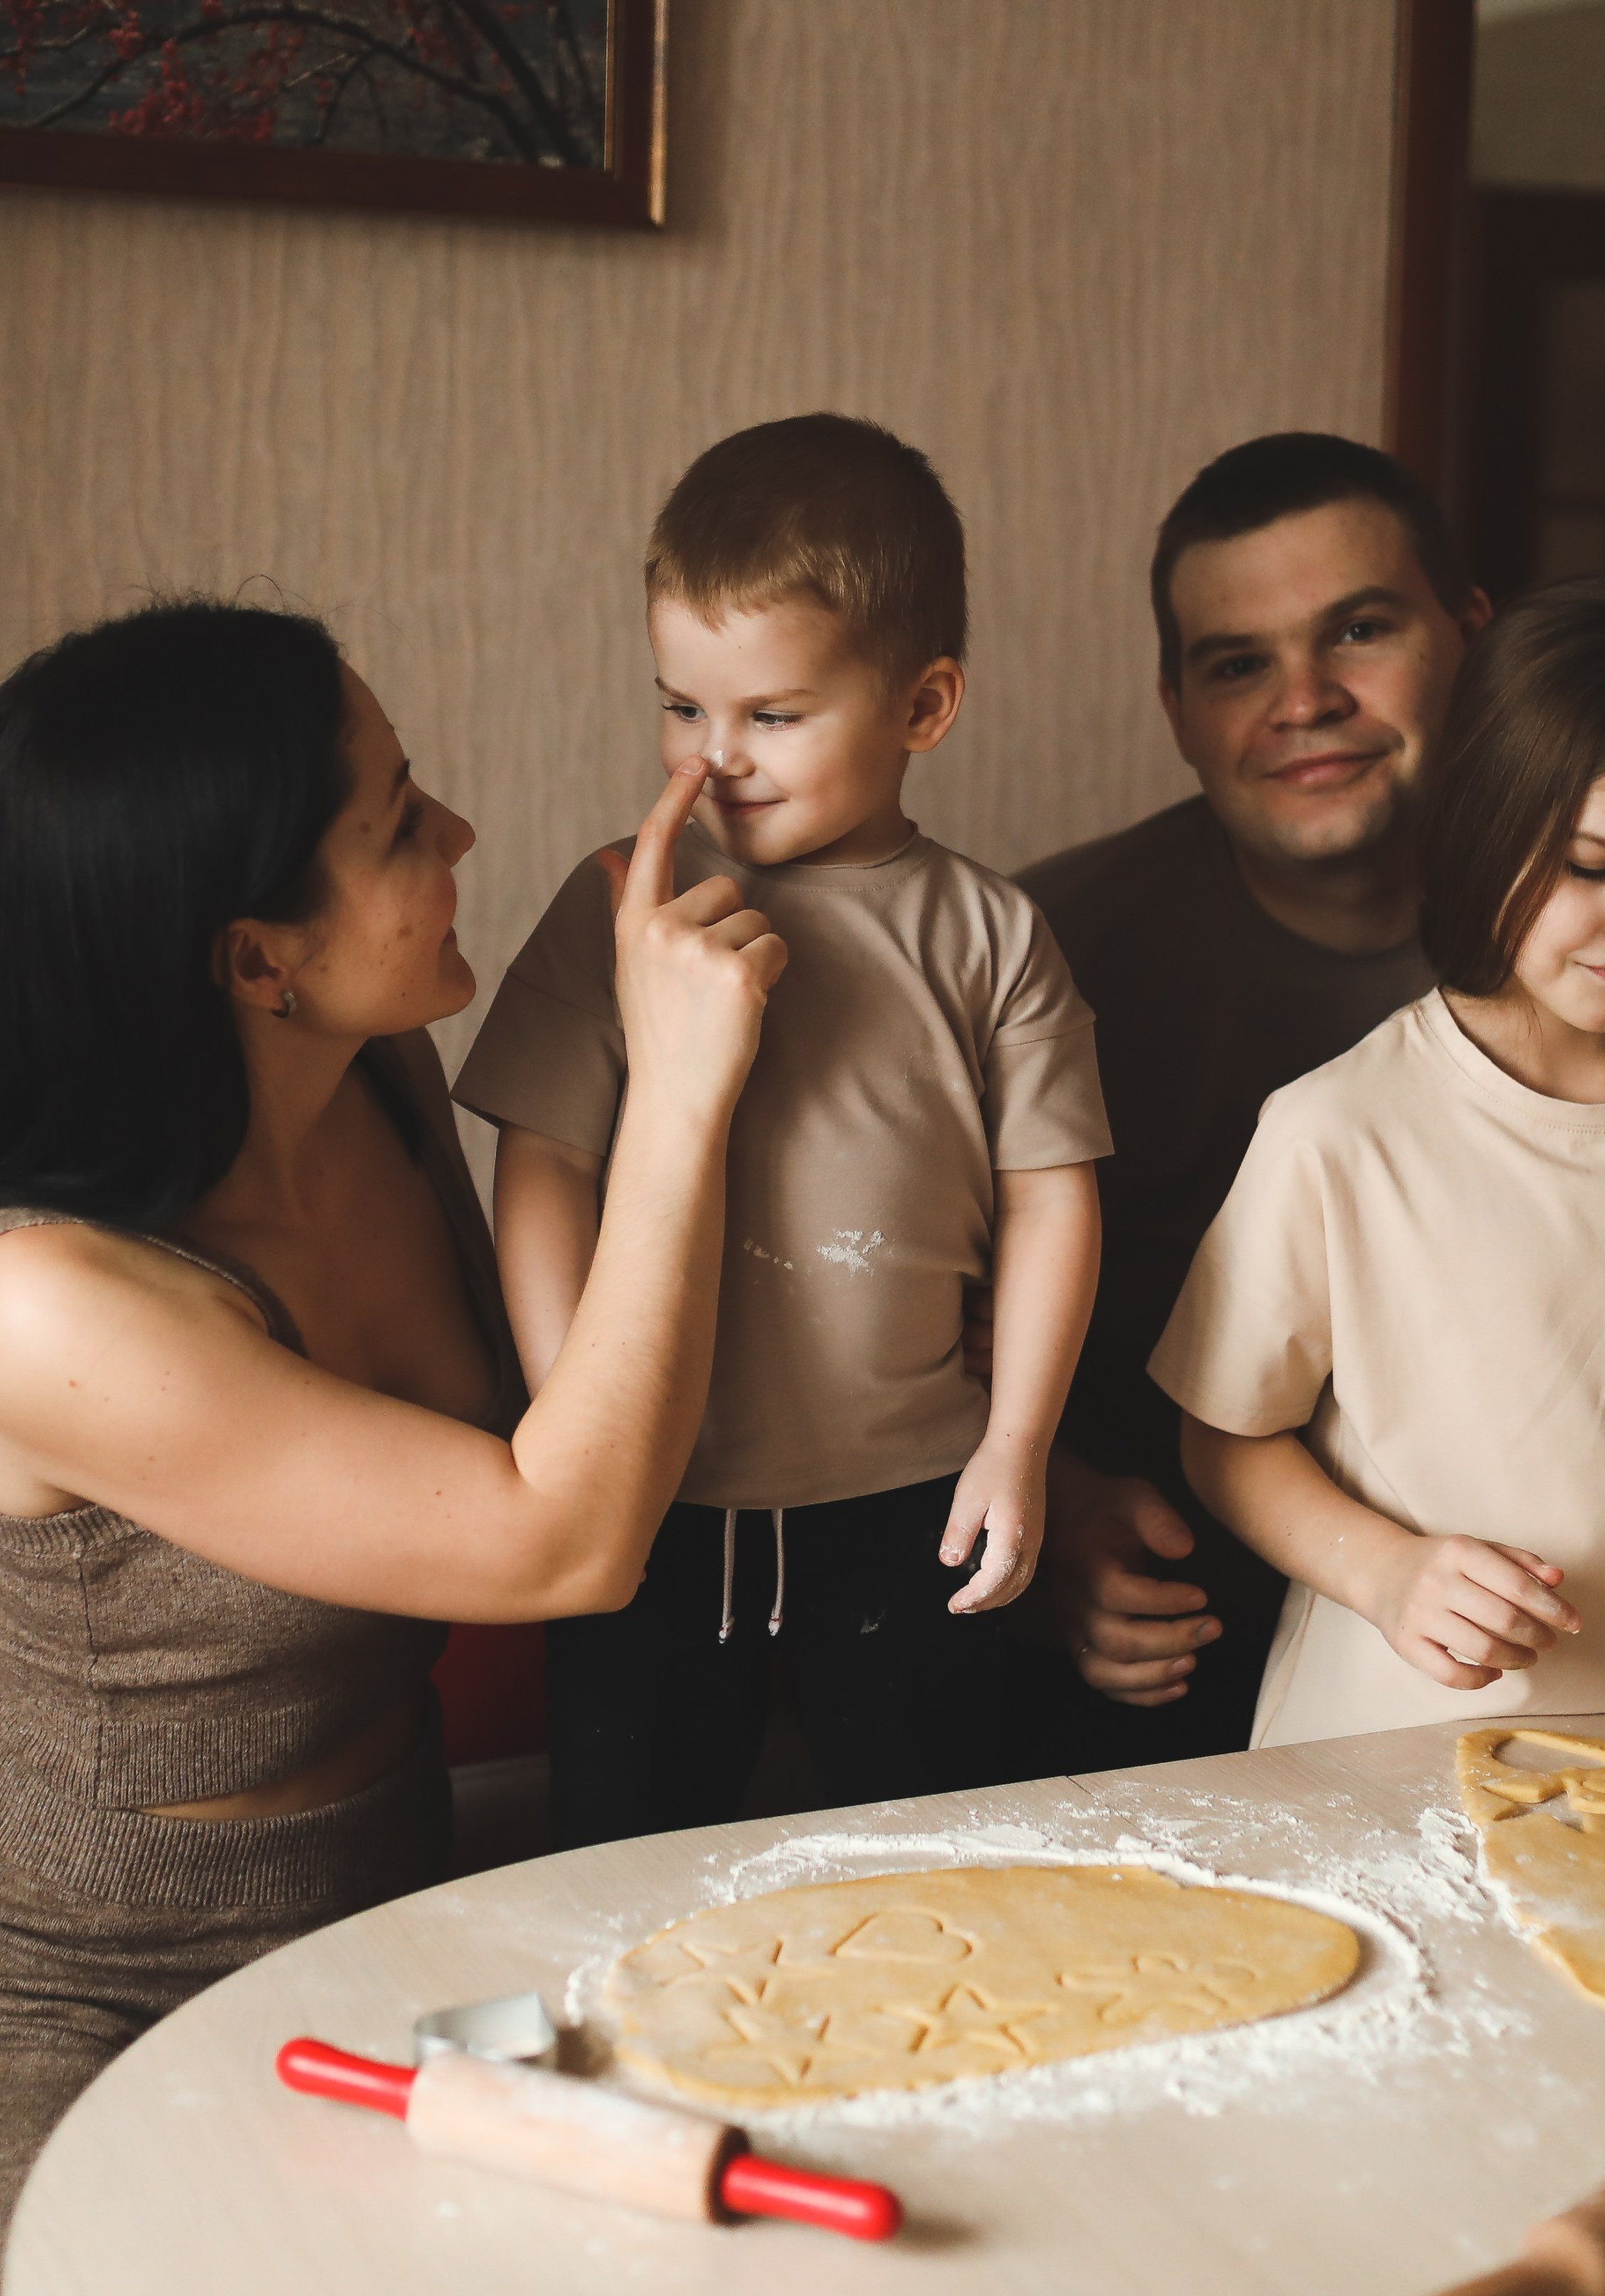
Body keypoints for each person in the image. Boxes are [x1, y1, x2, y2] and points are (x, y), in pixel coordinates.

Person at [0, 599, 782, 2265]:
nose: (461, 836)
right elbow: (561, 1537)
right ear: (252, 958)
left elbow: (593, 1394)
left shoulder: (376, 1072)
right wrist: (683, 1088)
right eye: (397, 823)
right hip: (83, 2008)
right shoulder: (47, 1304)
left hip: (393, 1918)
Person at [456, 413, 1108, 1848]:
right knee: (621, 1845)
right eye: (679, 708)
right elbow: (543, 1163)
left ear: (922, 706)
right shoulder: (622, 903)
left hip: (908, 1493)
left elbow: (1054, 1197)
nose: (713, 760)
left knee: (926, 1841)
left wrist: (1017, 1443)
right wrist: (574, 1413)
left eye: (771, 715)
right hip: (657, 1508)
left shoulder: (990, 934)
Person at [1018, 432, 1490, 1764]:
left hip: (1513, 1583)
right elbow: (896, 1307)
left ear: (1468, 635)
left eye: (1356, 631)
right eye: (1237, 664)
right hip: (1160, 1596)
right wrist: (1048, 1515)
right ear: (1173, 706)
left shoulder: (1573, 928)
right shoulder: (1038, 955)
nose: (1304, 700)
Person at [1151, 574, 1605, 1743]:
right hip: (1398, 1751)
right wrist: (1389, 1573)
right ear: (1488, 828)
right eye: (1590, 869)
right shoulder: (1342, 1132)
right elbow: (1226, 1431)